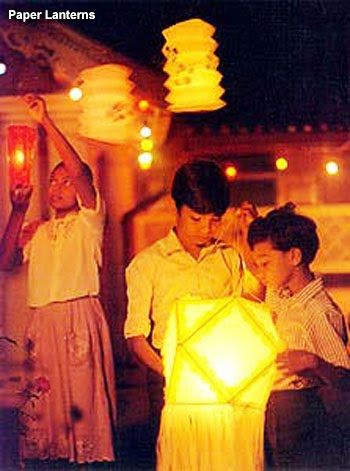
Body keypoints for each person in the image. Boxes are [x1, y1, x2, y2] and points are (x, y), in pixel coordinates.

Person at [0, 95, 116, 465]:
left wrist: (46, 120)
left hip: (78, 318)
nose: (60, 186)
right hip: (43, 323)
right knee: (43, 419)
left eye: (67, 182)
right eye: (54, 182)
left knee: (81, 412)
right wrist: (18, 210)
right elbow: (4, 262)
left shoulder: (89, 221)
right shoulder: (37, 230)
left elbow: (80, 172)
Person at [124, 159, 259, 468]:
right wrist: (172, 373)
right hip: (167, 373)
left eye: (215, 221)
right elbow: (135, 336)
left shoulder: (228, 257)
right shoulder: (149, 263)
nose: (205, 230)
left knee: (220, 454)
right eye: (195, 219)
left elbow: (248, 310)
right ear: (178, 208)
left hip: (221, 374)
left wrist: (250, 242)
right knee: (179, 457)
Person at [247, 202, 350, 468]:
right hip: (272, 411)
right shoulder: (280, 295)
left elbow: (344, 378)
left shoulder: (319, 312)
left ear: (294, 256)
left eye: (265, 263)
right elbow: (265, 271)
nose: (260, 272)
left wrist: (312, 362)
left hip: (303, 414)